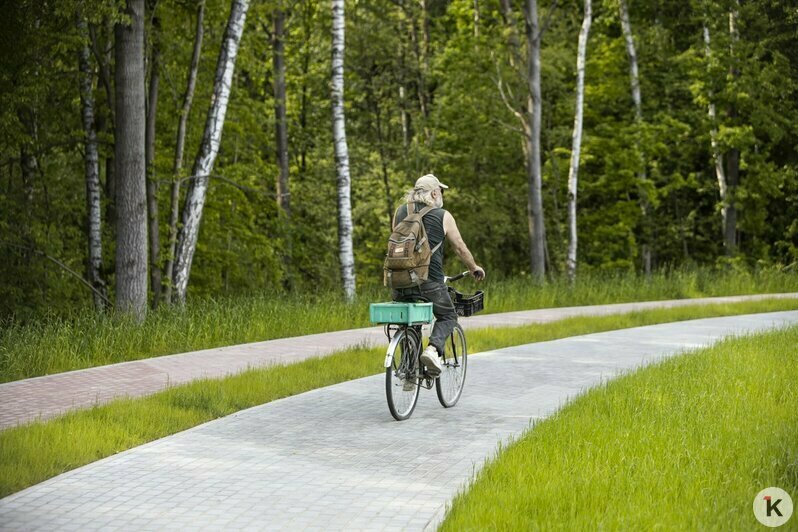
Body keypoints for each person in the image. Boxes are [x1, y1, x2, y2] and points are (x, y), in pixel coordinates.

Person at [391, 174, 485, 376]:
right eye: (440, 191)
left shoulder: (399, 212)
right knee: (449, 315)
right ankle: (433, 350)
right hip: (430, 282)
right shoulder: (442, 215)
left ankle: (408, 371)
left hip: (399, 282)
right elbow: (460, 248)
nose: (441, 194)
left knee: (409, 322)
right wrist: (473, 267)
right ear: (434, 193)